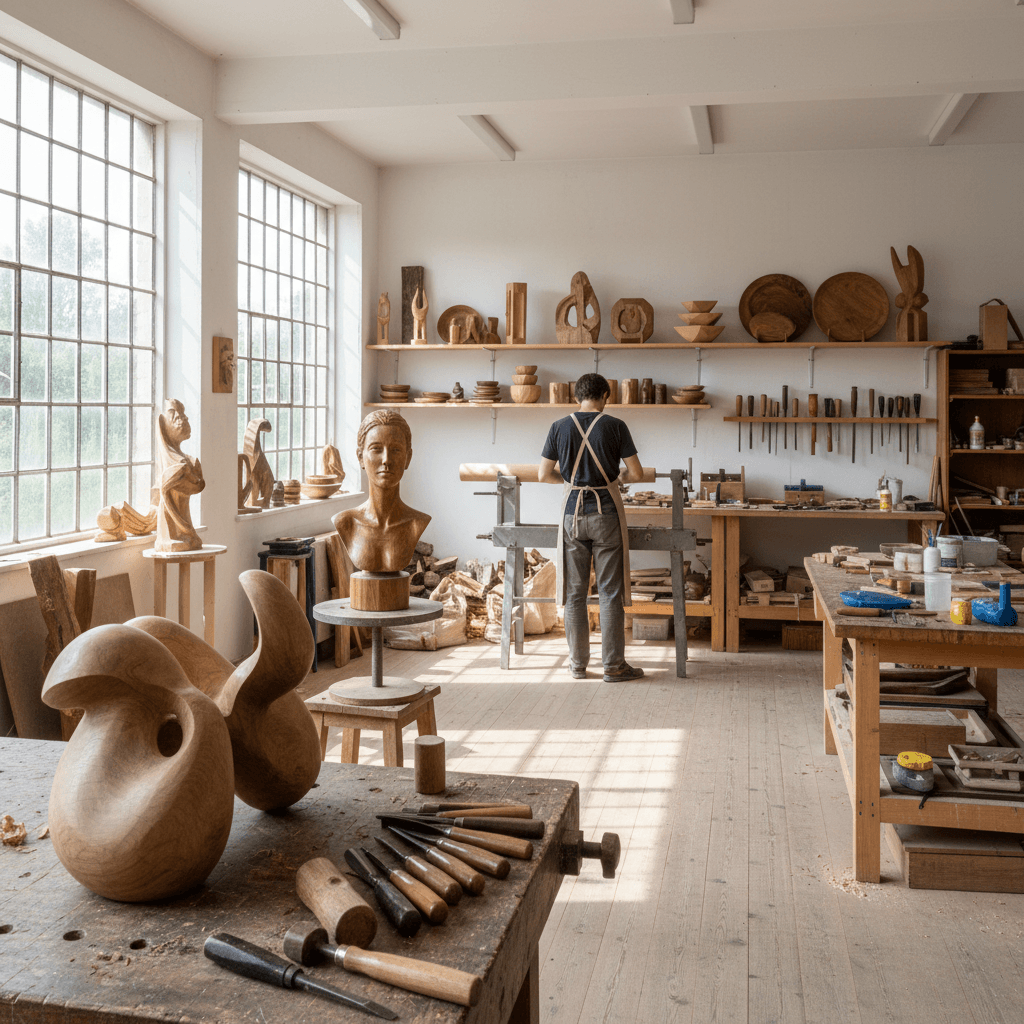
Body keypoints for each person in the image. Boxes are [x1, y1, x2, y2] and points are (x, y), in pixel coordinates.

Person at [539, 373, 646, 681]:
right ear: (605, 396)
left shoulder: (559, 427)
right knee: (610, 593)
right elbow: (636, 473)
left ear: (577, 397)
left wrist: (572, 482)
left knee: (574, 594)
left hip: (572, 514)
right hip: (606, 513)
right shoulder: (615, 426)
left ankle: (577, 666)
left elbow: (543, 474)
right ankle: (613, 666)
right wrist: (616, 480)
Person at [332, 409, 430, 572]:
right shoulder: (345, 523)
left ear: (408, 458)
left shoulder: (416, 523)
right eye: (376, 449)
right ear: (360, 457)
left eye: (396, 450)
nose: (386, 460)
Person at [155, 398, 204, 551]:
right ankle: (174, 534)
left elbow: (197, 485)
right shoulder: (177, 464)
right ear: (162, 424)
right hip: (171, 526)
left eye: (182, 412)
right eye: (173, 413)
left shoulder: (188, 461)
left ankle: (184, 533)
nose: (182, 417)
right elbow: (189, 484)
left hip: (184, 525)